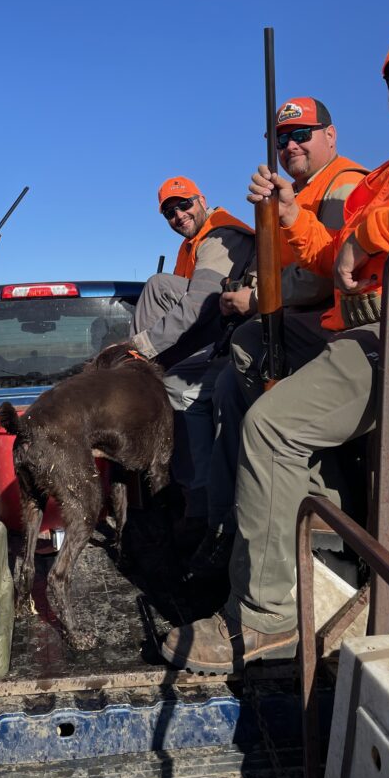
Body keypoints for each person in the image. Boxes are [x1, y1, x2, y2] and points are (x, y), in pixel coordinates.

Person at [162, 24, 389, 673]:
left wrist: (379, 229)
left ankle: (269, 622)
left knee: (273, 426)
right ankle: (301, 507)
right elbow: (336, 258)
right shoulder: (386, 172)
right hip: (365, 320)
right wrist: (292, 213)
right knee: (248, 350)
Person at [188, 98, 367, 576]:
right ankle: (225, 525)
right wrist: (249, 290)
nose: (291, 145)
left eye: (302, 134)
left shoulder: (342, 186)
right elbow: (285, 268)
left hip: (332, 327)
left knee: (255, 377)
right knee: (225, 390)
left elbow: (324, 273)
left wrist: (257, 298)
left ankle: (317, 523)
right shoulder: (297, 193)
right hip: (295, 324)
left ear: (330, 135)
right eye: (282, 139)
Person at [130, 177, 255, 544]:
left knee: (181, 393)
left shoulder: (219, 234)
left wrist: (141, 347)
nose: (179, 215)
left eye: (184, 205)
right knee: (157, 284)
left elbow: (198, 305)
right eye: (170, 212)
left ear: (202, 200)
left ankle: (198, 500)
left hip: (235, 335)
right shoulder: (193, 243)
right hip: (217, 328)